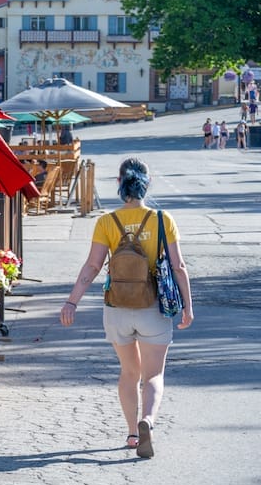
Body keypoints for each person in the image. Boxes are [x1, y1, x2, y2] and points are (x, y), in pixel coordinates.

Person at [59, 158, 193, 459]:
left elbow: (92, 266)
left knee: (129, 372)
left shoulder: (107, 222)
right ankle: (148, 419)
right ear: (147, 183)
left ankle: (133, 433)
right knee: (154, 374)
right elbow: (178, 266)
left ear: (119, 184)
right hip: (153, 308)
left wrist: (72, 301)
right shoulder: (162, 219)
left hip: (116, 308)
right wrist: (187, 306)